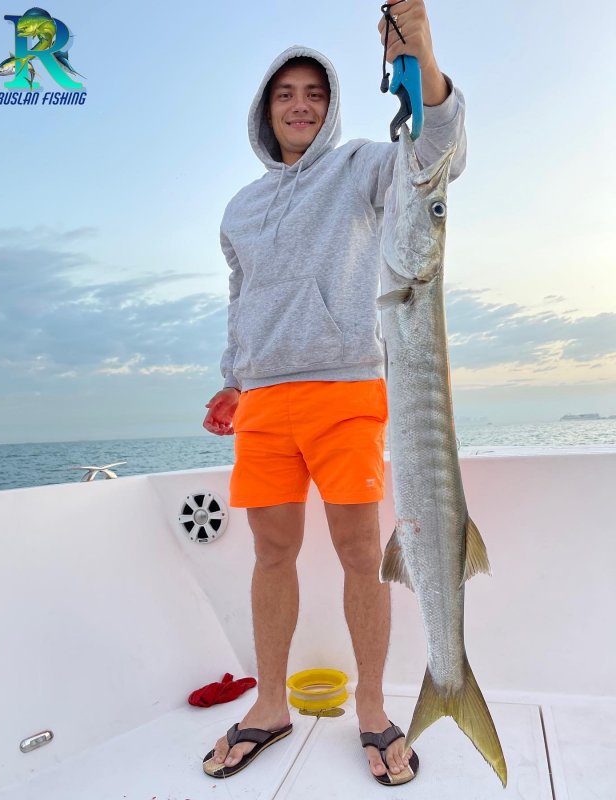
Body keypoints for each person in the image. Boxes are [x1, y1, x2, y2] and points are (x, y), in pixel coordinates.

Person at [201, 0, 466, 786]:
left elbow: (439, 151)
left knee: (360, 555)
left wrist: (422, 53)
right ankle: (269, 706)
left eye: (314, 93)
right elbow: (242, 298)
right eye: (286, 94)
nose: (300, 106)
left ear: (333, 104)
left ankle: (374, 709)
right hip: (264, 402)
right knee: (270, 554)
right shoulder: (240, 209)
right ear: (266, 109)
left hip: (346, 388)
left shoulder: (361, 167)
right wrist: (233, 378)